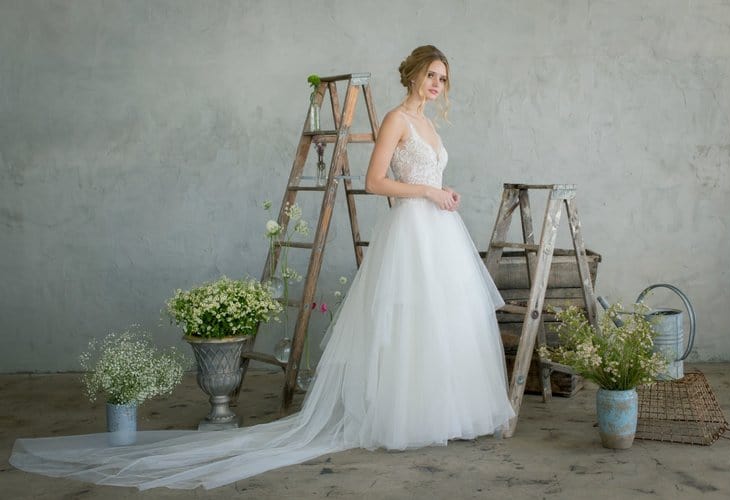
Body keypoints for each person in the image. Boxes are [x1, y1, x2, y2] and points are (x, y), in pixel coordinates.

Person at [10, 45, 514, 490]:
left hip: (439, 231)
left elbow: (425, 174)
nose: (437, 84)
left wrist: (442, 192)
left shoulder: (429, 123)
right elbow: (376, 181)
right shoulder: (397, 121)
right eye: (431, 75)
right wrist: (427, 190)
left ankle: (441, 415)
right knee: (407, 323)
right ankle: (407, 419)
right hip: (410, 233)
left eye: (443, 78)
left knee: (443, 323)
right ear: (412, 75)